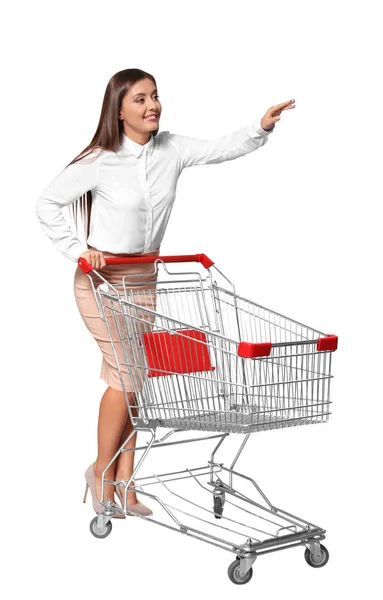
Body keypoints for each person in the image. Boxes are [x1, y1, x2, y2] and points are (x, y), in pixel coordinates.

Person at [35, 67, 295, 518]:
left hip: (145, 280)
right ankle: (100, 472)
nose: (152, 105)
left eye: (155, 96)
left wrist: (261, 126)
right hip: (102, 282)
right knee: (127, 376)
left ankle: (126, 483)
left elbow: (221, 148)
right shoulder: (101, 158)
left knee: (137, 380)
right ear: (118, 110)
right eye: (140, 99)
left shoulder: (172, 148)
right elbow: (47, 203)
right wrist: (81, 250)